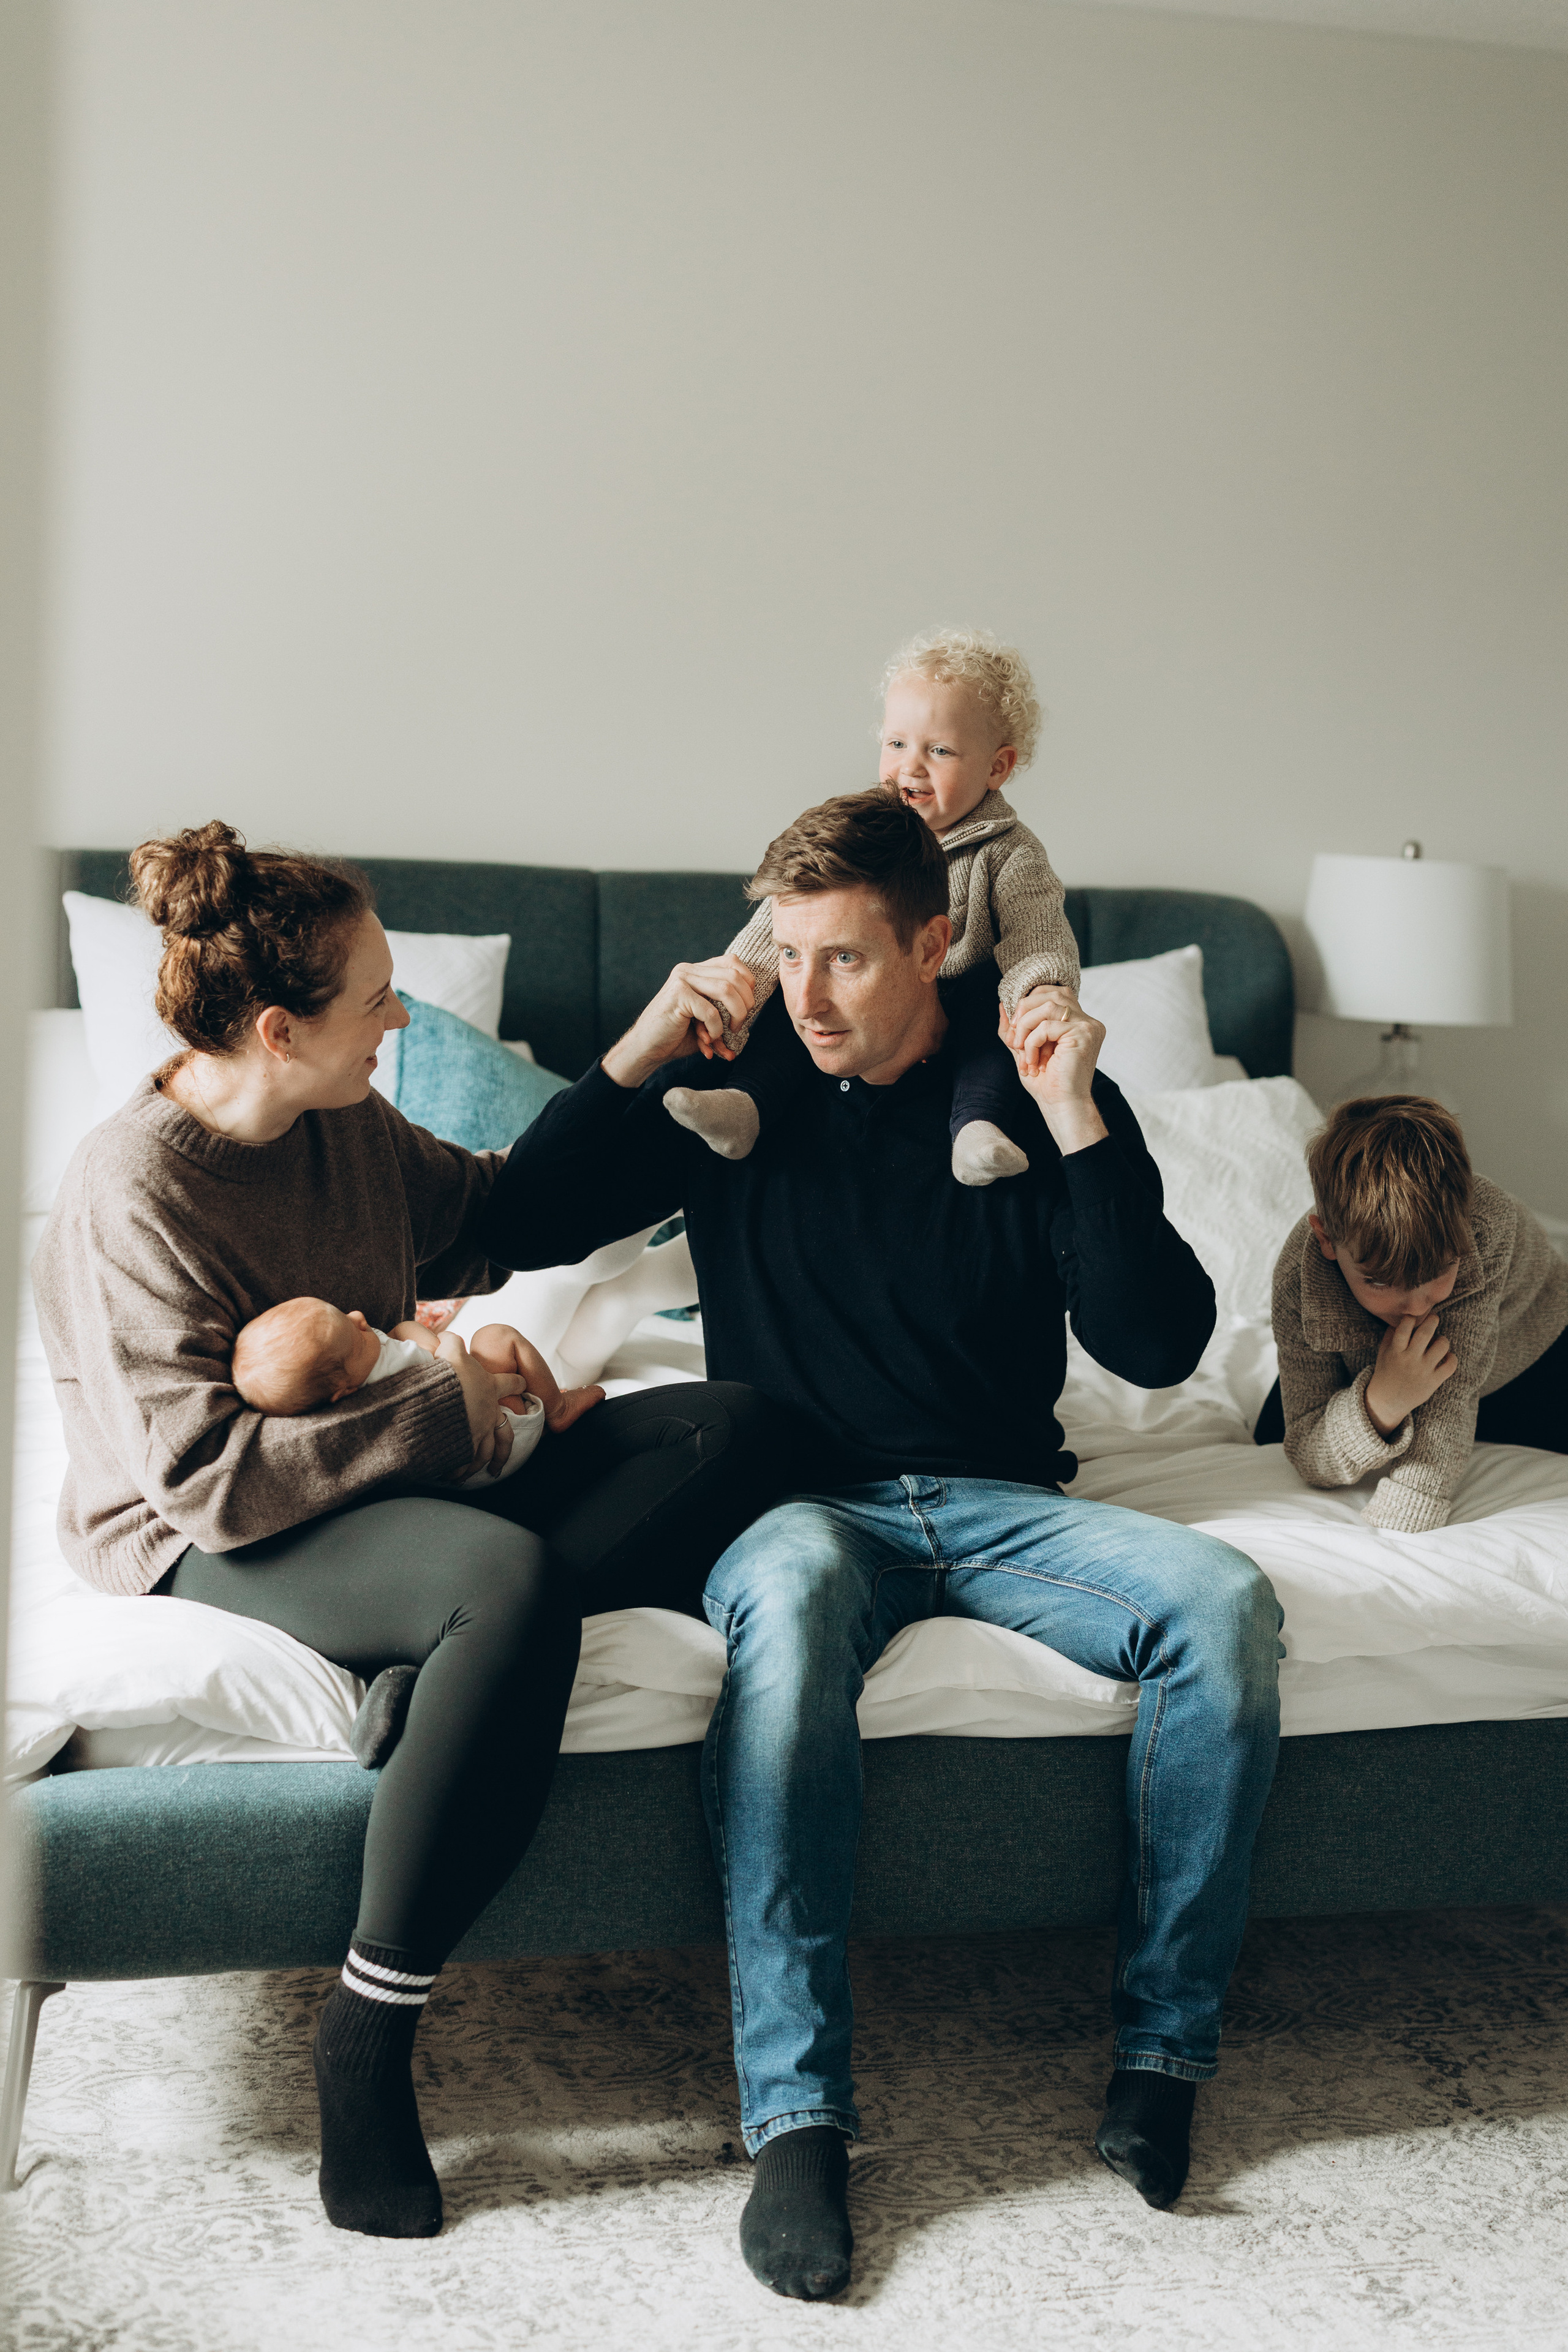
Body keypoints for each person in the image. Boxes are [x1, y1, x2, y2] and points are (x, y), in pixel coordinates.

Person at [480, 789, 1285, 2301]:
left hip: (1000, 1502)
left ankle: (1162, 2053)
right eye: (787, 953)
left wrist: (1073, 1118)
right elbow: (521, 1222)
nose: (807, 993)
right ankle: (796, 2121)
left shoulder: (1014, 1068)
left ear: (934, 939)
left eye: (844, 958)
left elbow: (1160, 1337)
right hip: (802, 1499)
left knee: (1225, 1605)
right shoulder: (740, 1070)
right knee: (778, 1622)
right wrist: (647, 1042)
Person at [31, 821, 794, 2242]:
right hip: (206, 1521)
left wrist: (649, 1061)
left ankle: (445, 1683)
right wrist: (456, 1405)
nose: (396, 1018)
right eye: (377, 997)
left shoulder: (343, 1125)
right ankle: (368, 2033)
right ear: (277, 1025)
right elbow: (208, 1477)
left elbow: (502, 1215)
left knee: (727, 1425)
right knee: (500, 1576)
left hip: (373, 1482)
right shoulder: (131, 1189)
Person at [663, 627, 1082, 1185]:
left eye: (940, 750)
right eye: (897, 744)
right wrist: (733, 1002)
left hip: (955, 1007)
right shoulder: (862, 836)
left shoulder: (1009, 853)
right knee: (801, 1000)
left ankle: (978, 1128)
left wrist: (1043, 992)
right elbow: (782, 930)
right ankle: (745, 1106)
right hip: (866, 1009)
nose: (911, 767)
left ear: (997, 767)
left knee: (992, 1019)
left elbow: (1037, 933)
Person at [1257, 1095, 1568, 1528]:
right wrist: (1381, 1403)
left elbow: (1450, 1396)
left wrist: (1404, 1518)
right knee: (1269, 1438)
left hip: (1532, 1341)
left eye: (1441, 1271)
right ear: (1327, 1239)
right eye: (1381, 1281)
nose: (1420, 1306)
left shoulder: (1488, 1225)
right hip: (1378, 1369)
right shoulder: (1298, 1277)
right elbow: (1308, 1450)